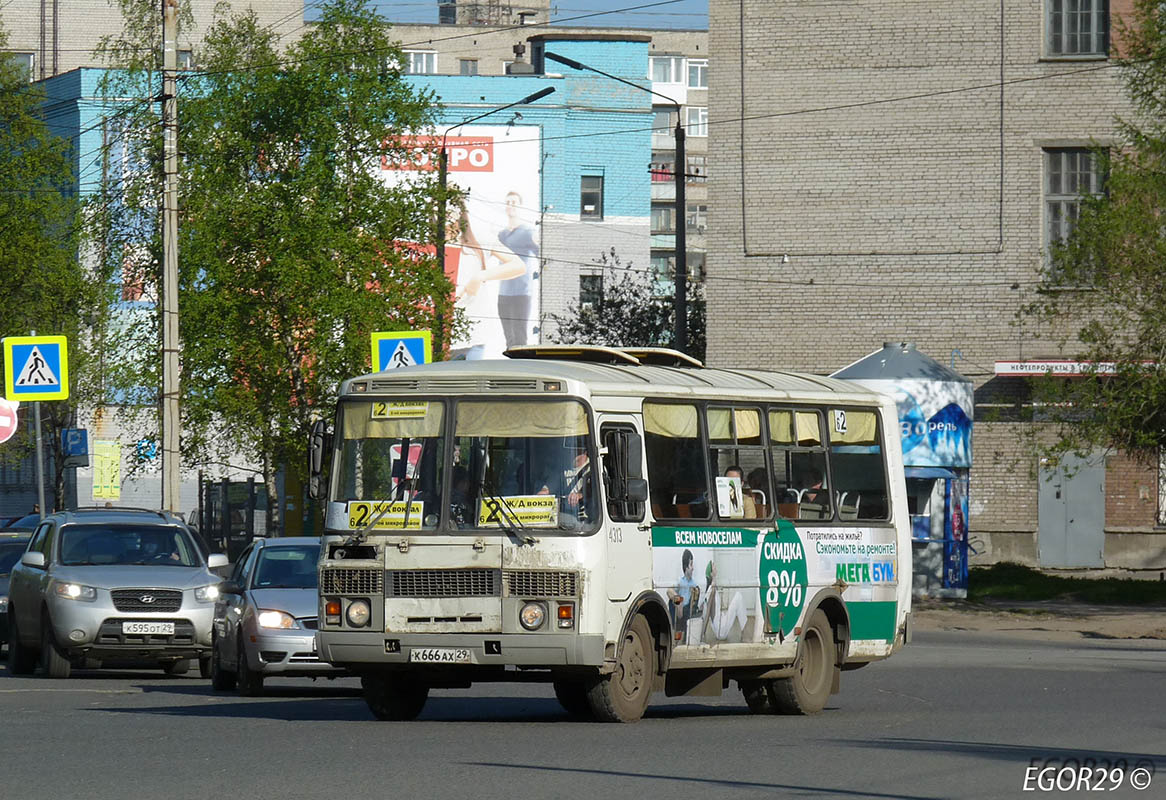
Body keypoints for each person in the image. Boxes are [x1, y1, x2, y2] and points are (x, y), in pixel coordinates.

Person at [496, 191, 539, 348]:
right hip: (503, 292)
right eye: (508, 202)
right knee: (509, 339)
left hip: (522, 292)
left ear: (521, 206)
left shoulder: (528, 232)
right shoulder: (502, 235)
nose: (511, 205)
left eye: (514, 202)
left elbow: (543, 255)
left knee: (520, 337)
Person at [700, 561, 757, 642]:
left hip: (720, 627)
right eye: (713, 566)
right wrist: (702, 635)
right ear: (711, 573)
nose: (715, 566)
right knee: (738, 597)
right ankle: (745, 634)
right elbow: (708, 612)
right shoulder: (712, 588)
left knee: (737, 598)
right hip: (721, 630)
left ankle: (744, 632)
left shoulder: (713, 587)